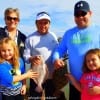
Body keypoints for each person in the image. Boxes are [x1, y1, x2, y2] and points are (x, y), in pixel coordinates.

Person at [52, 1, 100, 100]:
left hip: (96, 85)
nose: (80, 17)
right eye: (77, 15)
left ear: (90, 13)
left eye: (83, 13)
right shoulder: (69, 33)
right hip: (75, 83)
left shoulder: (98, 30)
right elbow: (59, 49)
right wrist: (56, 59)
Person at [24, 11, 58, 99]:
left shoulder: (53, 36)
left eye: (46, 23)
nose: (43, 25)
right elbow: (25, 57)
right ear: (36, 24)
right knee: (34, 98)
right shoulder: (30, 38)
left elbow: (57, 52)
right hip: (36, 75)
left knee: (51, 97)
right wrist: (32, 58)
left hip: (52, 75)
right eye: (40, 23)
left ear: (49, 24)